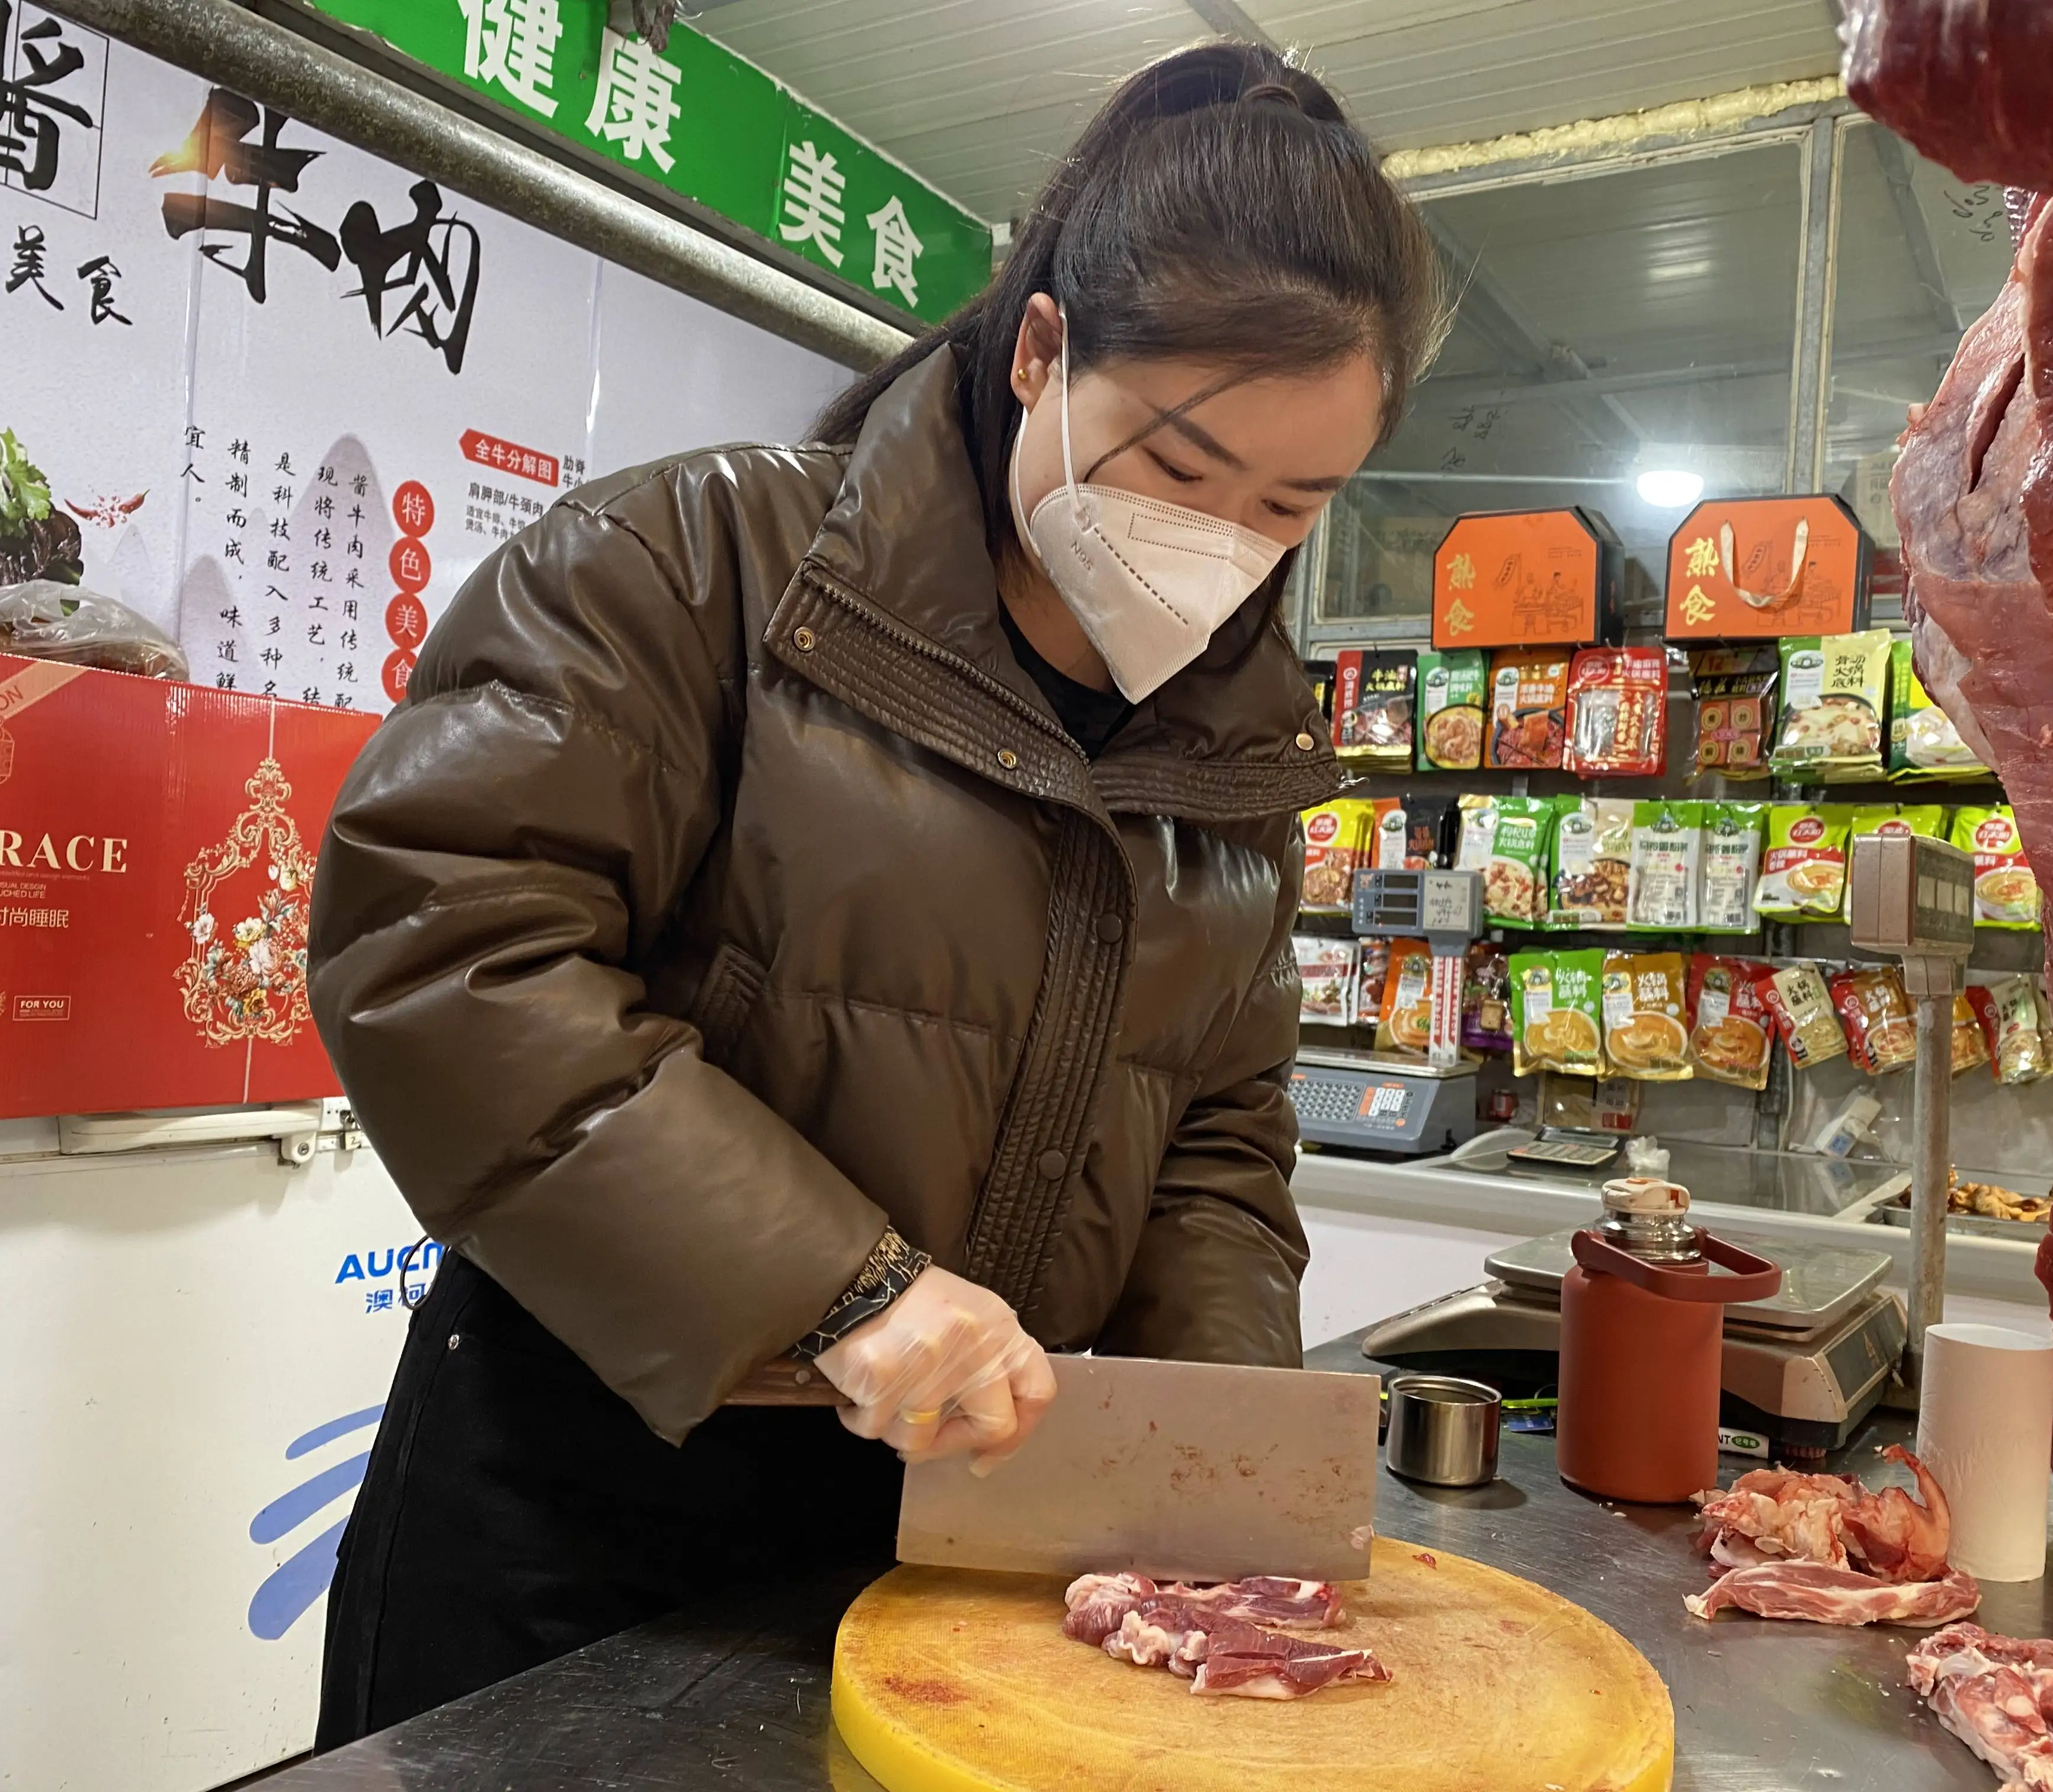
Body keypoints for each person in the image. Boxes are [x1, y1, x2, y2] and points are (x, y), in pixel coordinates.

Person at [305, 38, 1445, 1746]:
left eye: (1291, 509)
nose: (1224, 550)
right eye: (1185, 472)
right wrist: (839, 1290)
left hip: (975, 1553)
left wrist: (1211, 1459)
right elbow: (450, 942)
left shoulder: (1233, 763)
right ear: (1042, 350)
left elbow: (1219, 1133)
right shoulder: (690, 571)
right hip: (590, 1511)